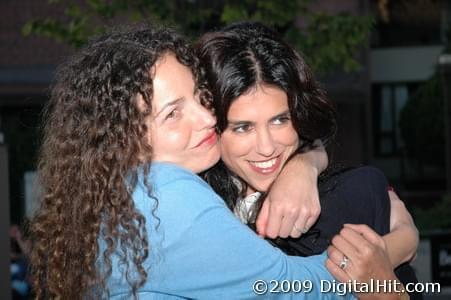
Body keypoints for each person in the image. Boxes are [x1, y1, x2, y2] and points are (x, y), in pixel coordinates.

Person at [31, 24, 384, 300]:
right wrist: (393, 244)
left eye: (200, 98)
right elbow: (295, 289)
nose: (205, 117)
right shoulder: (165, 197)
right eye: (173, 114)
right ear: (124, 139)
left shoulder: (115, 201)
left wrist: (308, 160)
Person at [196, 21, 420, 298]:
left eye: (280, 120)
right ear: (209, 127)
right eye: (243, 127)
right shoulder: (188, 202)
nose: (267, 147)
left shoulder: (345, 197)